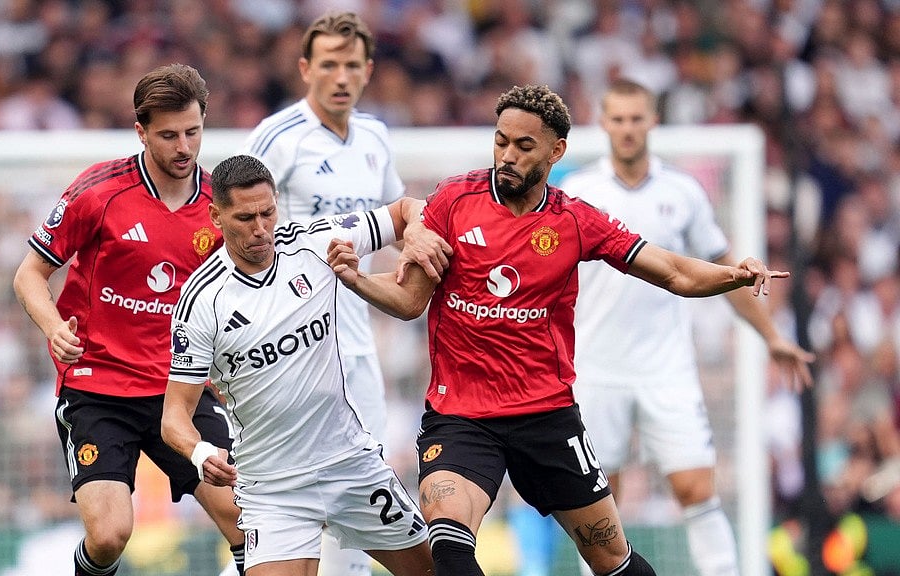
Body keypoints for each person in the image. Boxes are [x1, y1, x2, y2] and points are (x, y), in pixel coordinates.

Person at [326, 83, 792, 576]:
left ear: (556, 150)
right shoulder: (453, 202)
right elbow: (409, 300)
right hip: (461, 416)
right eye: (501, 141)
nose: (507, 156)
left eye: (524, 147)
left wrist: (732, 275)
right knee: (448, 538)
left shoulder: (574, 219)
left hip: (546, 416)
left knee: (612, 559)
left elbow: (673, 272)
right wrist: (356, 278)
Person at [558, 78, 815, 576]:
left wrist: (773, 337)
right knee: (595, 503)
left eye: (637, 118)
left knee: (696, 488)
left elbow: (727, 275)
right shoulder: (577, 194)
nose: (628, 128)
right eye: (618, 118)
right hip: (594, 368)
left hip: (666, 369)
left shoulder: (683, 192)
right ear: (603, 122)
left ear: (653, 121)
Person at [160, 154, 442, 576]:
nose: (260, 229)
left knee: (441, 570)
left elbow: (406, 210)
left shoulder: (315, 242)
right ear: (216, 216)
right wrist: (200, 452)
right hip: (273, 489)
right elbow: (174, 415)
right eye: (245, 217)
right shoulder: (201, 302)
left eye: (267, 212)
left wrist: (417, 235)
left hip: (350, 465)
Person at [12, 63, 245, 576]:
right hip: (99, 387)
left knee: (250, 521)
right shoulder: (99, 191)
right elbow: (29, 274)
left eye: (193, 131)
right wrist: (54, 328)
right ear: (141, 132)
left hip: (178, 393)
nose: (184, 147)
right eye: (168, 136)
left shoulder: (220, 204)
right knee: (112, 533)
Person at [238, 12, 425, 575]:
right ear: (304, 69)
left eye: (351, 65)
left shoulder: (375, 137)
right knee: (286, 508)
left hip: (356, 342)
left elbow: (397, 221)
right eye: (327, 65)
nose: (340, 76)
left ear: (367, 71)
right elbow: (231, 227)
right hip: (287, 349)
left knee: (361, 495)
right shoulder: (276, 138)